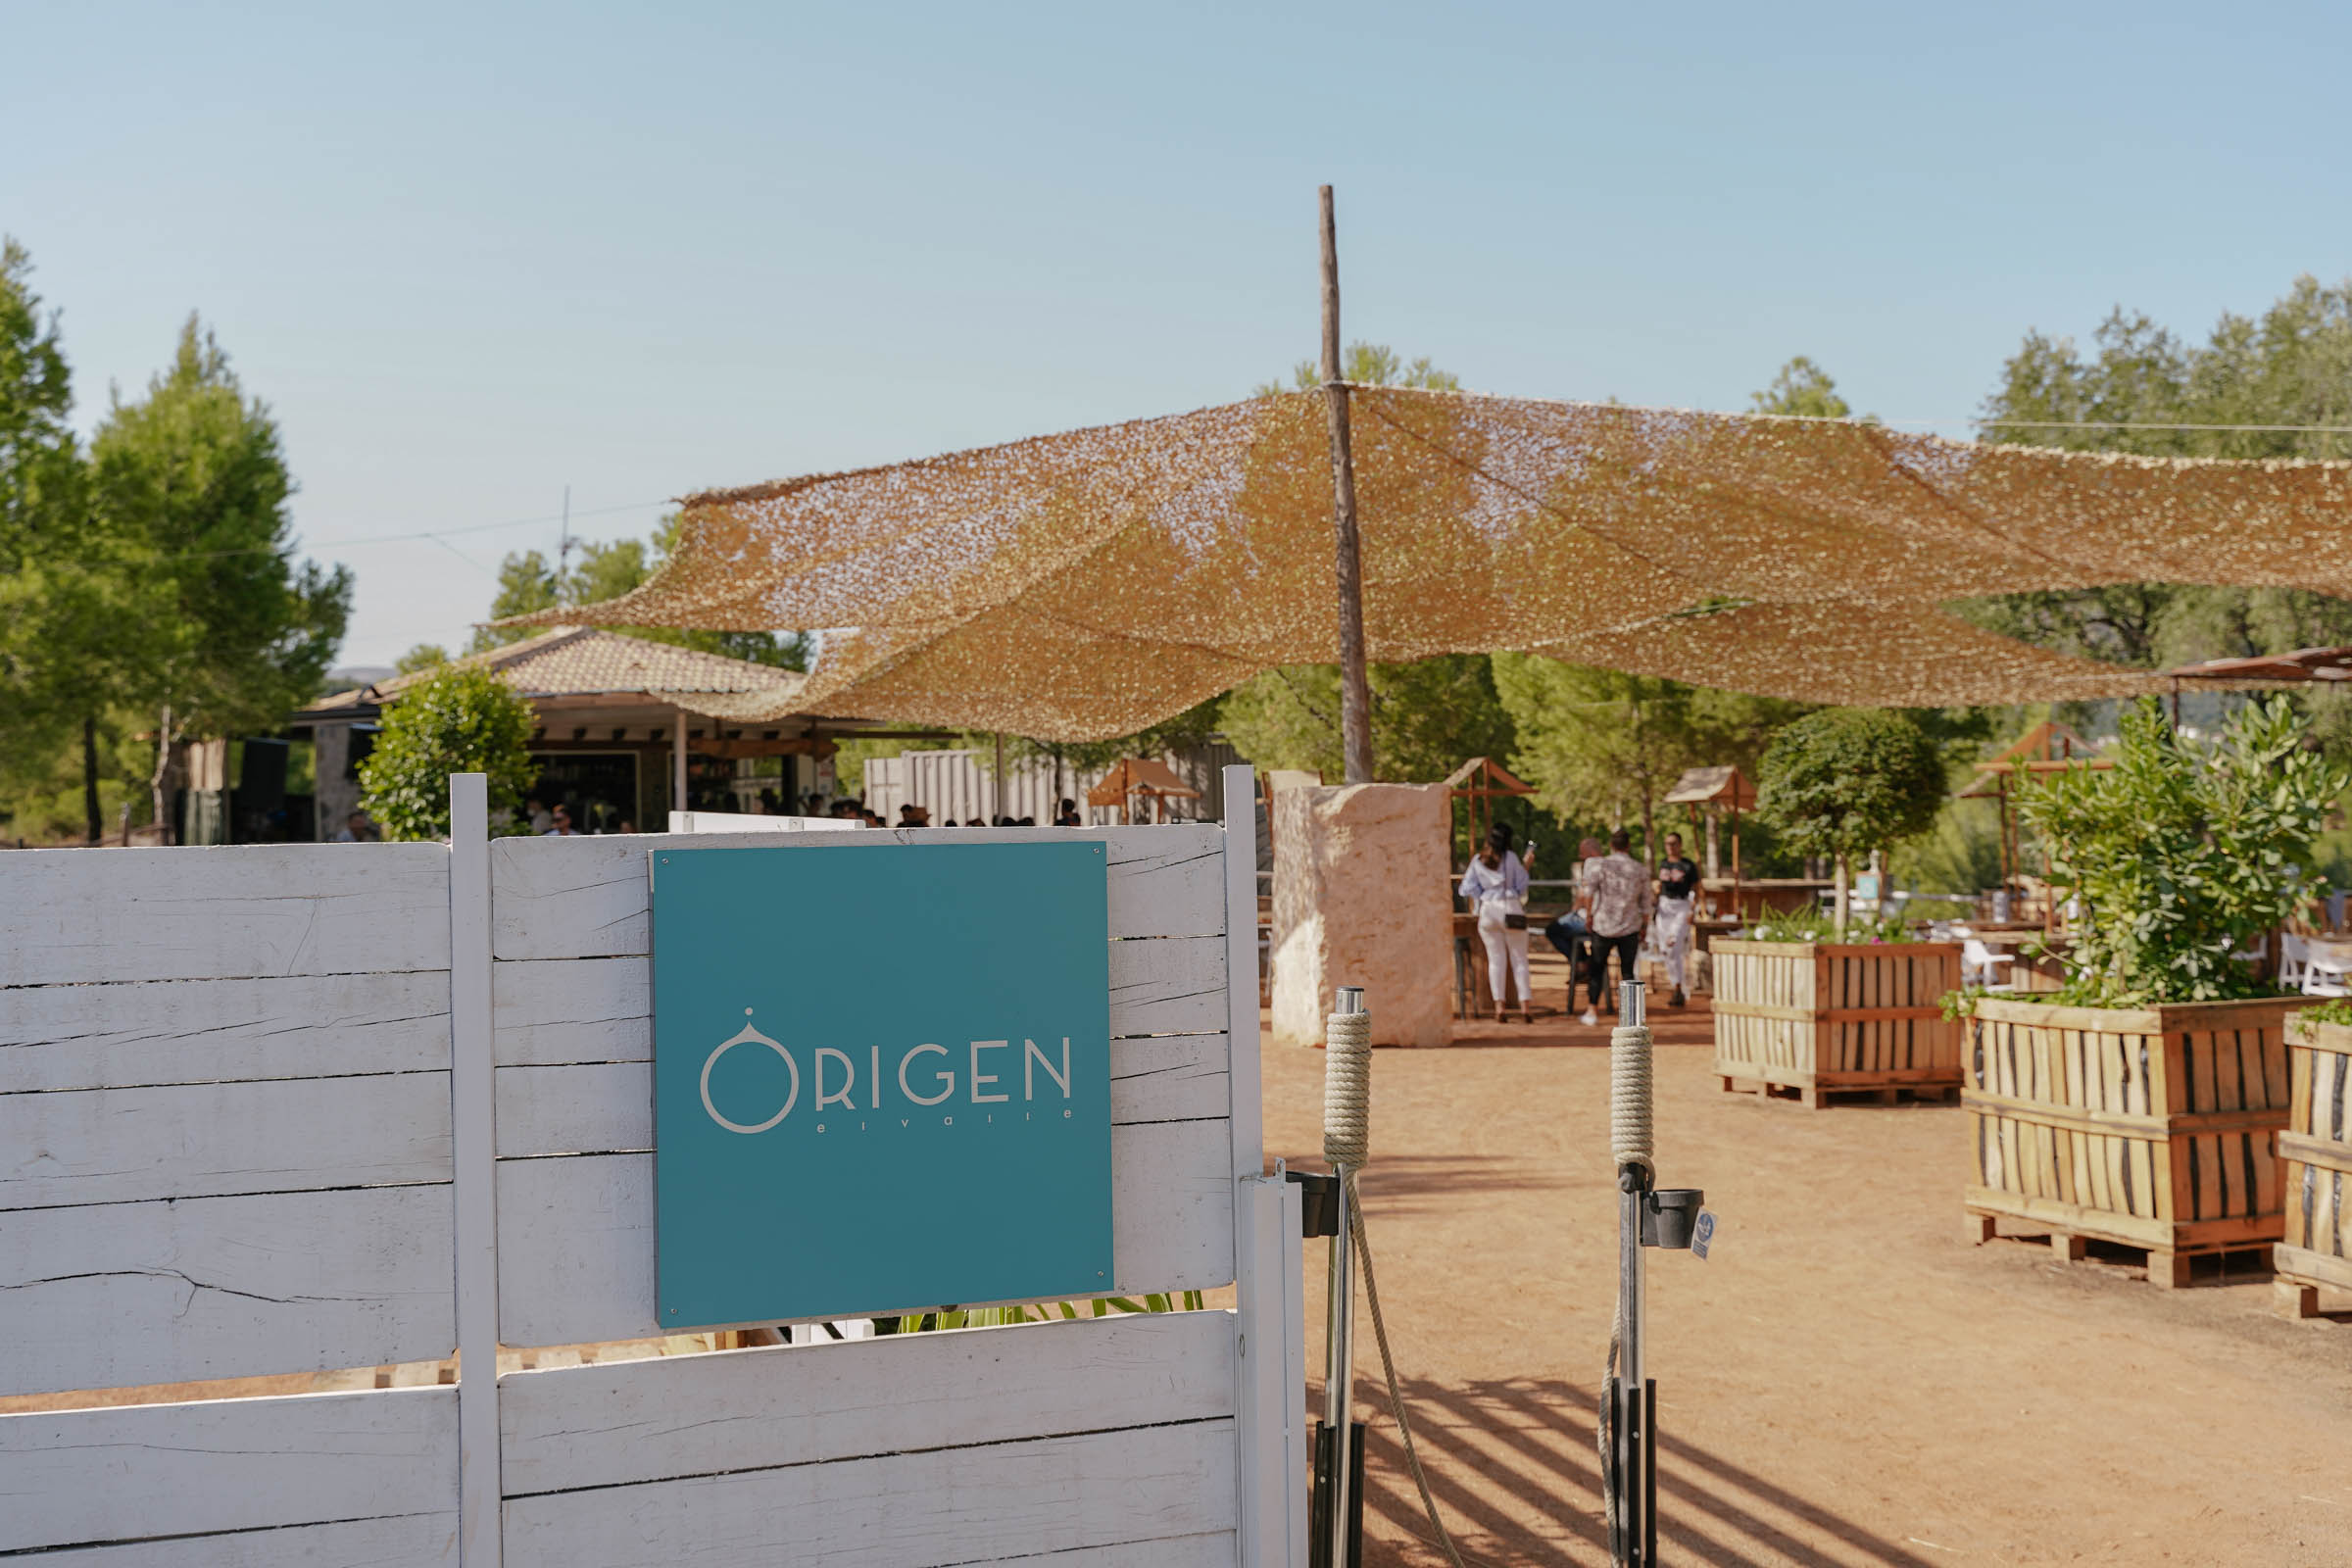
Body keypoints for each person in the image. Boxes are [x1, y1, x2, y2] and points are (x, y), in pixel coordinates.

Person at [1458, 822, 1535, 1022]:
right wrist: (1526, 866)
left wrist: (1482, 896)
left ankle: (1499, 1007)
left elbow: (1466, 887)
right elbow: (1521, 886)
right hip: (1510, 908)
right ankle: (1525, 1008)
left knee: (1496, 960)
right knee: (1519, 959)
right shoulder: (1511, 858)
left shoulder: (1478, 860)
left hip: (1488, 910)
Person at [1582, 828, 1650, 1015]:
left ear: (1611, 845)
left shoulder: (1601, 866)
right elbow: (1646, 902)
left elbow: (1589, 893)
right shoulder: (1640, 869)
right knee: (1627, 971)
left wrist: (1589, 916)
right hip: (1630, 925)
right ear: (1628, 845)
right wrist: (1644, 926)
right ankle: (1629, 1013)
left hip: (1603, 925)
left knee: (1597, 968)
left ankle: (1592, 1008)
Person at [1544, 837, 1605, 1018]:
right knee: (1567, 930)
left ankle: (1581, 963)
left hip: (1591, 919)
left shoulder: (1592, 865)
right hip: (1604, 921)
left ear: (1591, 852)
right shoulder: (1610, 865)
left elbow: (1584, 896)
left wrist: (1578, 913)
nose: (1580, 856)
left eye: (1582, 852)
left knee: (1554, 929)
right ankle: (1582, 961)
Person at [1654, 831, 1700, 1007]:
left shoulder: (1688, 865)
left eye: (1673, 843)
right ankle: (1676, 986)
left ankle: (1679, 987)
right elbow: (1660, 886)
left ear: (1680, 845)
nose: (1670, 847)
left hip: (1681, 906)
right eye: (1667, 843)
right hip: (1664, 907)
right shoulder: (1663, 864)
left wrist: (1693, 909)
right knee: (1665, 950)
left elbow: (1696, 888)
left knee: (1673, 946)